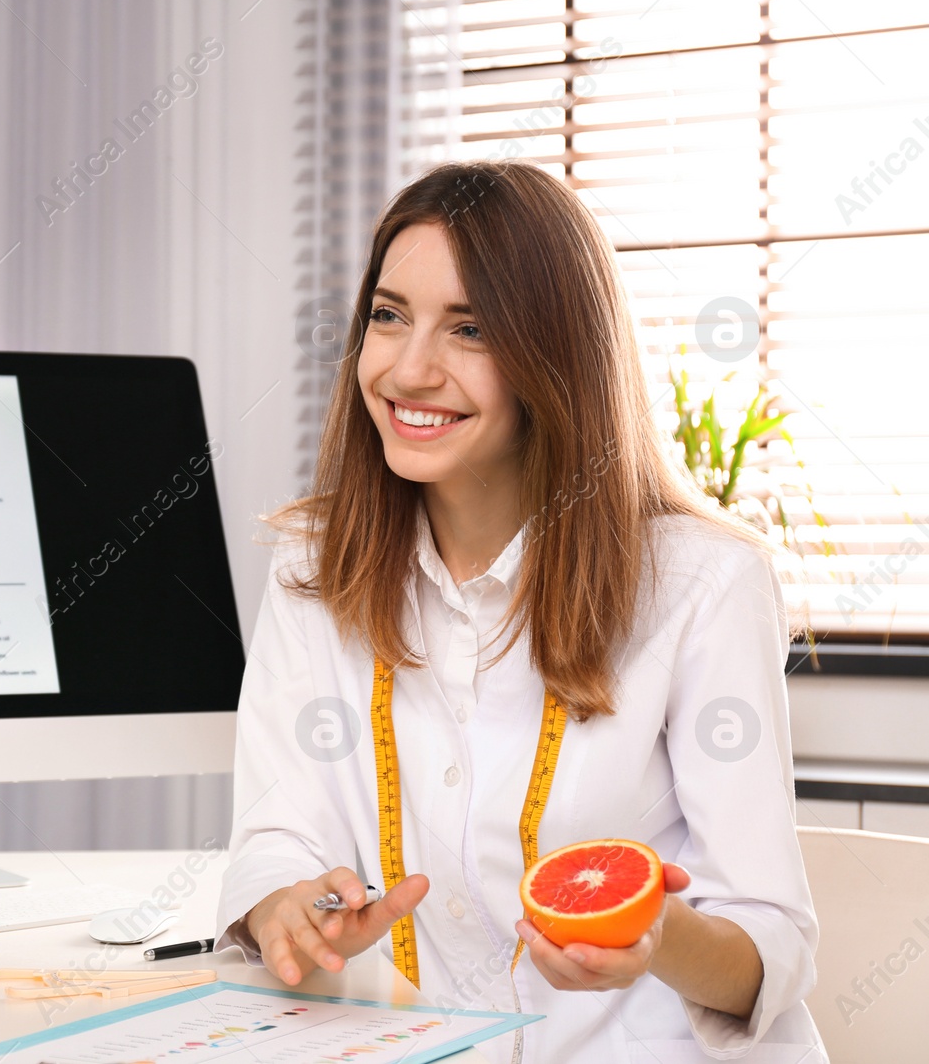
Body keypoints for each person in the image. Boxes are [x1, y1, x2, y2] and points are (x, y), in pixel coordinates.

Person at [215, 161, 827, 1063]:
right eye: (389, 316)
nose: (409, 369)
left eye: (470, 329)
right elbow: (276, 830)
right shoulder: (313, 567)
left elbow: (770, 941)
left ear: (556, 355)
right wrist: (282, 908)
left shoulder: (704, 584)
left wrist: (652, 936)